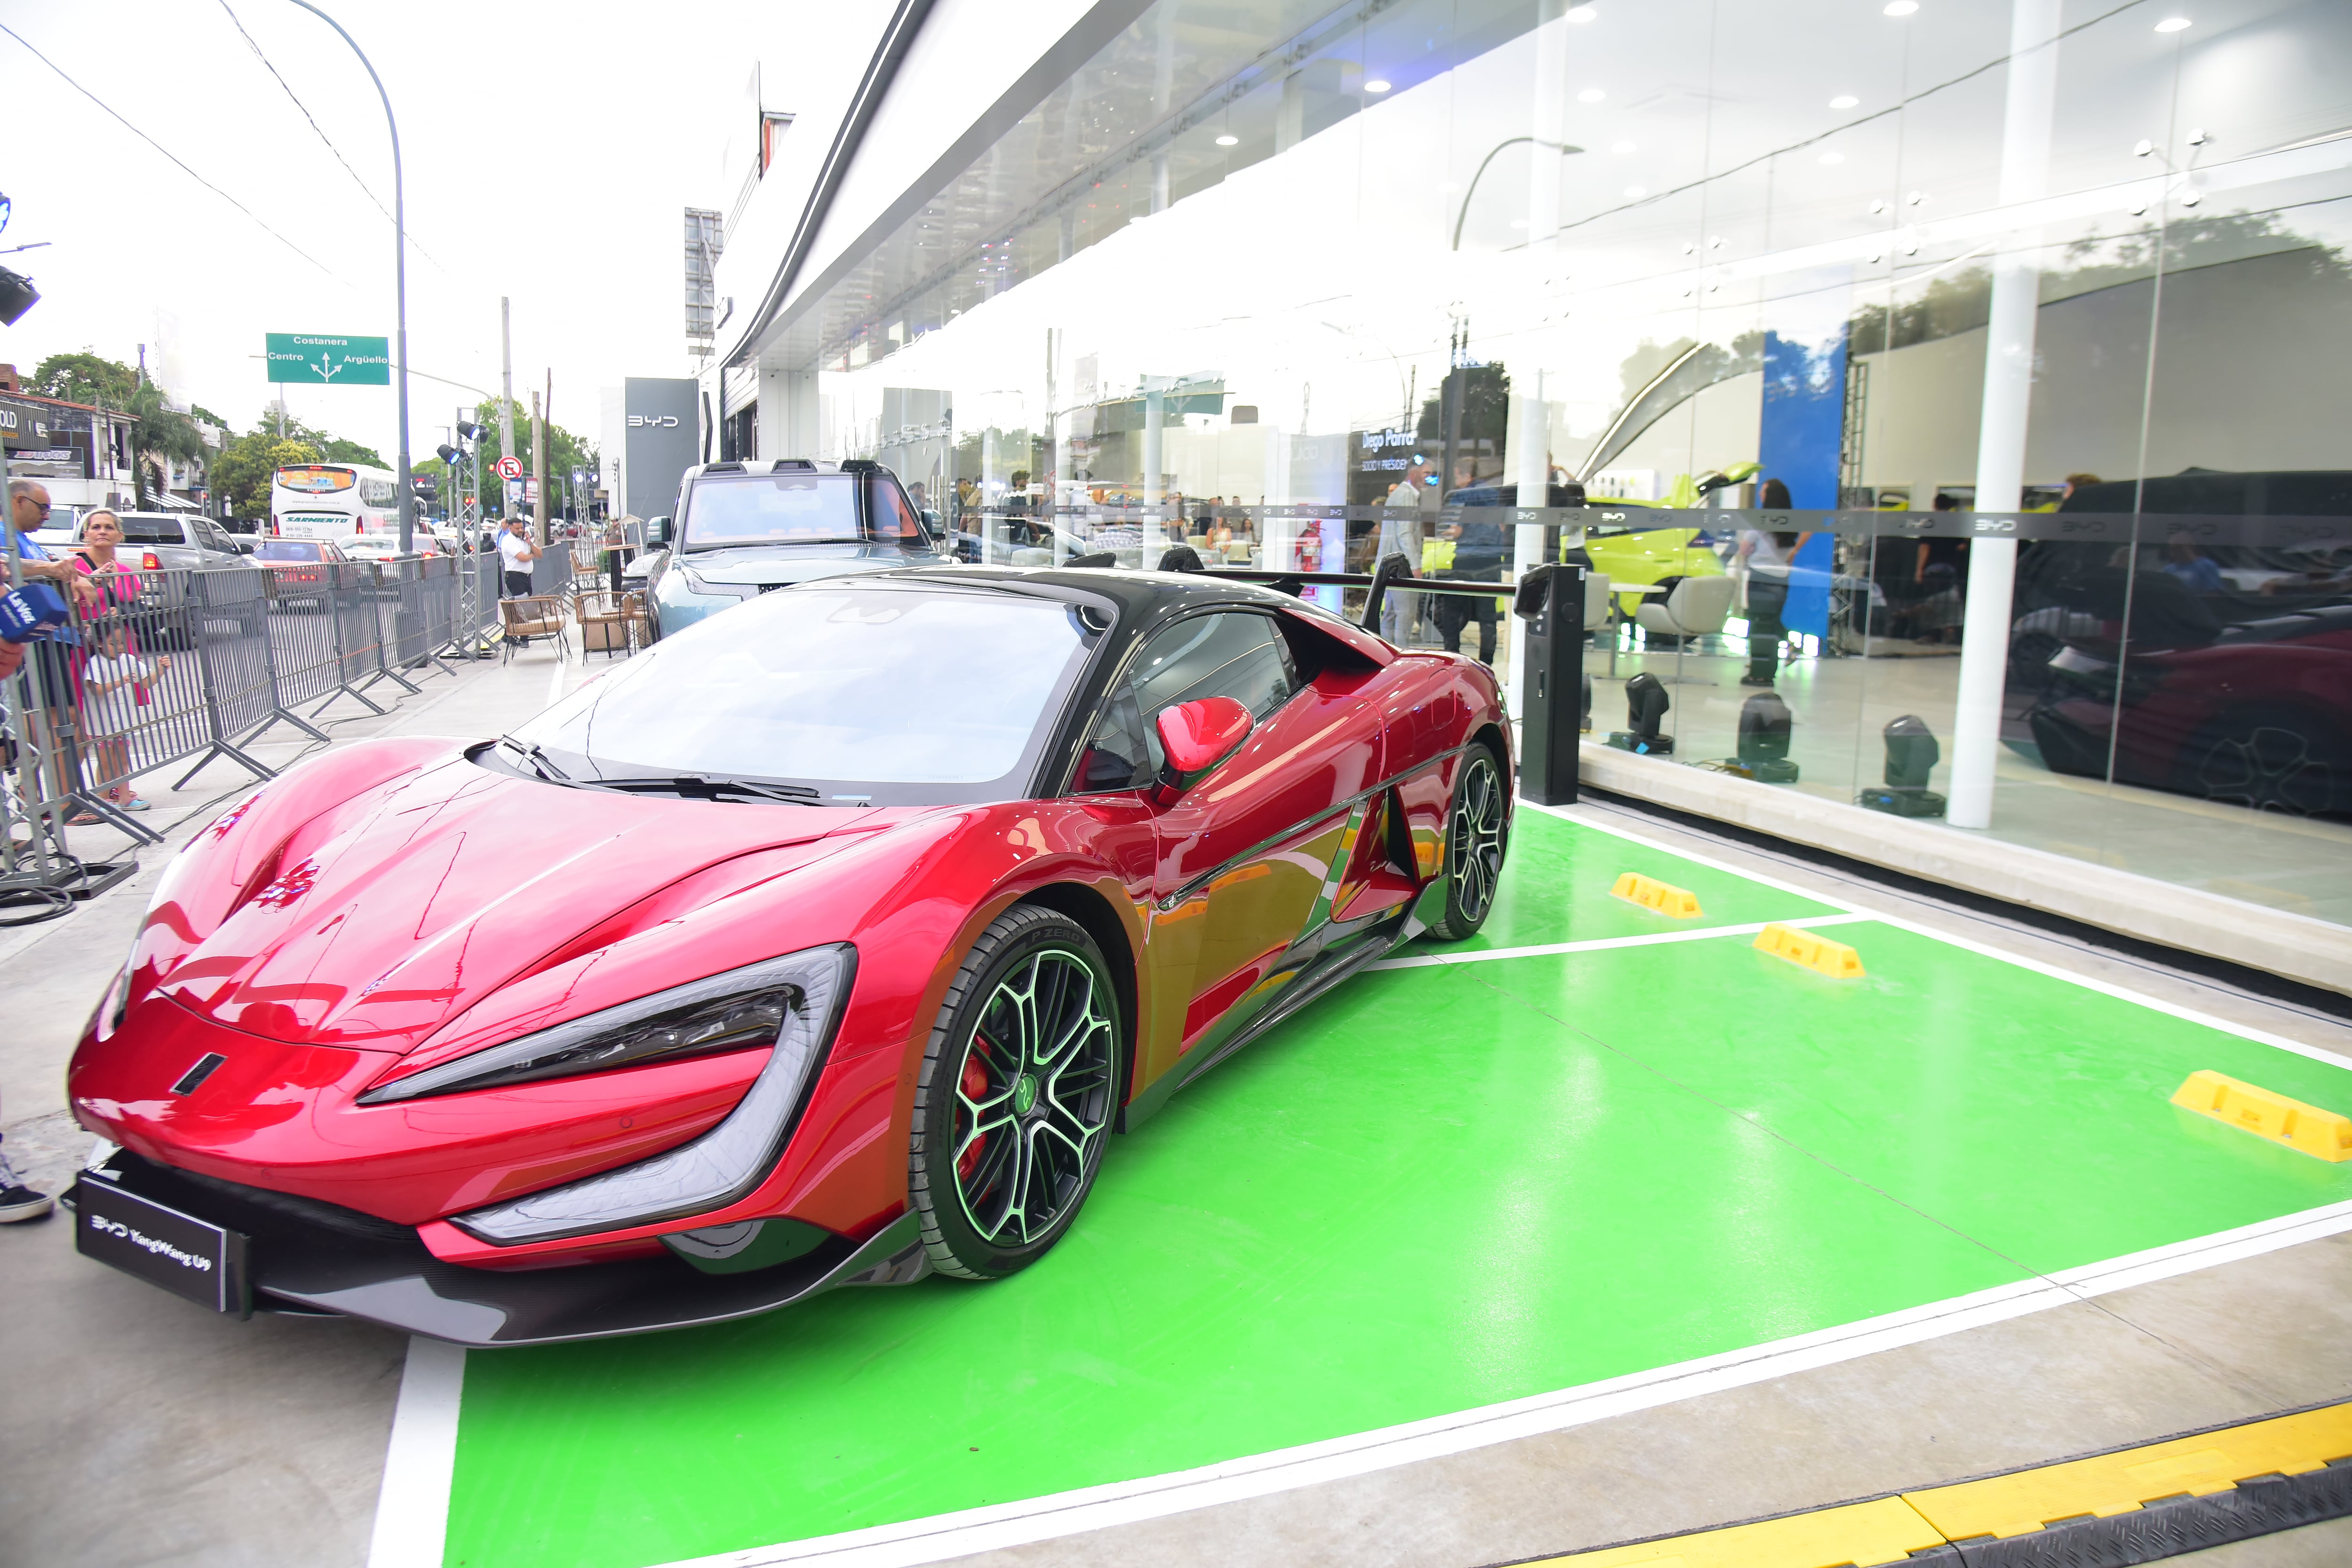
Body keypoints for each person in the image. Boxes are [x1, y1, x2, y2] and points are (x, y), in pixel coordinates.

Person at [71, 616, 166, 822]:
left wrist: (160, 670)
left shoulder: (129, 660)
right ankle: (103, 799)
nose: (120, 647)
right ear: (99, 643)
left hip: (123, 721)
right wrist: (118, 682)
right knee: (105, 762)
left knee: (123, 759)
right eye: (114, 644)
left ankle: (125, 797)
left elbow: (147, 683)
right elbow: (95, 689)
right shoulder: (96, 663)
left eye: (123, 642)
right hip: (101, 722)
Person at [1435, 501, 1505, 664]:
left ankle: (1452, 656)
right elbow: (1503, 530)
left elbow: (1457, 532)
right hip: (1491, 563)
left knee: (1452, 611)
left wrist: (1447, 532)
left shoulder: (1469, 507)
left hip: (1465, 562)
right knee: (1487, 616)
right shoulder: (1496, 509)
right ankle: (1486, 661)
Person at [1376, 460, 1430, 644]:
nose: (1429, 478)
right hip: (1402, 567)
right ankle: (1401, 657)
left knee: (1390, 614)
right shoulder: (1406, 496)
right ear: (1413, 474)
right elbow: (1405, 533)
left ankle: (1387, 653)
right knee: (1405, 615)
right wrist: (1415, 565)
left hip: (1391, 566)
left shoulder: (1399, 494)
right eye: (1426, 473)